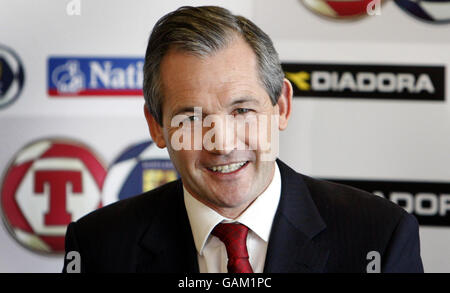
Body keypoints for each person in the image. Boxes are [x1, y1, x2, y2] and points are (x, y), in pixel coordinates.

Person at [63, 6, 423, 273]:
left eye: (241, 111)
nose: (222, 143)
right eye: (192, 118)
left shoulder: (378, 237)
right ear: (156, 126)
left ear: (281, 106)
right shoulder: (98, 247)